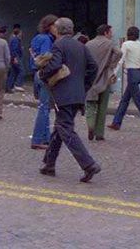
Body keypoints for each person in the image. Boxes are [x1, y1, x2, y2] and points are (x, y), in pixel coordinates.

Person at [38, 17, 101, 183]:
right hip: (77, 94)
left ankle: (88, 164)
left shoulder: (59, 45)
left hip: (63, 94)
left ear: (57, 31)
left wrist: (42, 74)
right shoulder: (81, 45)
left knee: (64, 128)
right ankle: (49, 164)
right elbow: (93, 67)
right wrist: (84, 85)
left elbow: (55, 65)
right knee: (60, 128)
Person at [110, 26, 140, 133]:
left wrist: (114, 73)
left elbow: (121, 60)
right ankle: (116, 122)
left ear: (128, 35)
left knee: (138, 100)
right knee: (125, 99)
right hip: (138, 72)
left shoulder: (126, 44)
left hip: (131, 73)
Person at [85, 24, 122, 141]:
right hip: (104, 77)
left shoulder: (88, 44)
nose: (112, 34)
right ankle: (99, 133)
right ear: (106, 33)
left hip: (90, 78)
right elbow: (119, 53)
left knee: (90, 104)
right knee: (102, 106)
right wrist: (111, 64)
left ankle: (90, 125)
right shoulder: (109, 43)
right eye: (111, 32)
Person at [30, 15, 57, 150]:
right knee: (44, 108)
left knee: (44, 107)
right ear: (50, 26)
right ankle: (38, 138)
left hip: (36, 74)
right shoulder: (47, 40)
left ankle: (45, 138)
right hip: (43, 75)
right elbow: (45, 57)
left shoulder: (37, 38)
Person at [7, 25, 25, 92]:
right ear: (18, 33)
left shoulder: (12, 38)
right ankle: (18, 84)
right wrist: (15, 58)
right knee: (21, 70)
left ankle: (9, 87)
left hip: (13, 57)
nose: (21, 34)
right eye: (21, 33)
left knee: (13, 72)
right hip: (16, 57)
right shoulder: (15, 39)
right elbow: (14, 49)